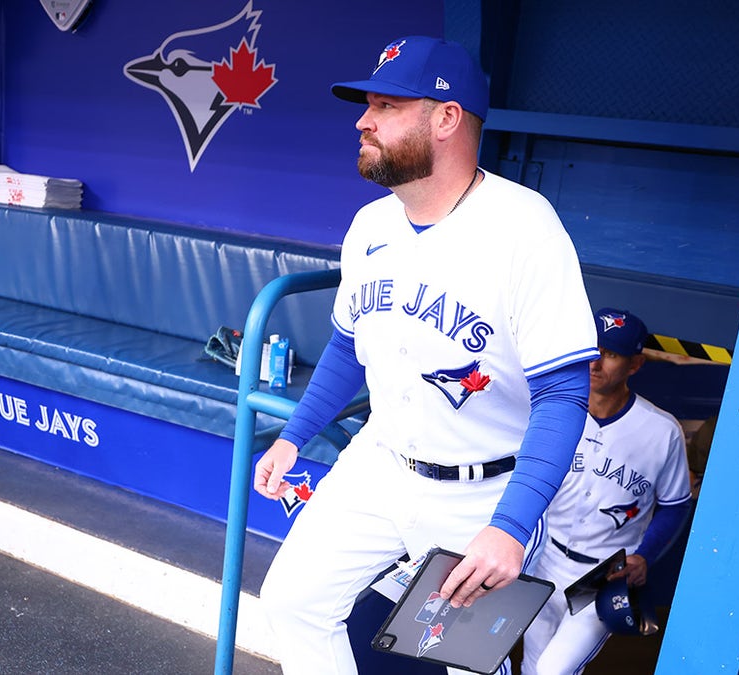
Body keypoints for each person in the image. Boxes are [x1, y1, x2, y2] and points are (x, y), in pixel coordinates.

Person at [254, 36, 599, 674]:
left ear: (446, 117)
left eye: (386, 105)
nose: (363, 119)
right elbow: (346, 345)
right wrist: (293, 436)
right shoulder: (370, 226)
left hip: (482, 491)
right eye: (368, 105)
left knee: (468, 665)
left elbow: (563, 395)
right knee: (292, 604)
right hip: (380, 464)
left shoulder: (526, 229)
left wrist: (511, 525)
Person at [521, 308, 693, 675]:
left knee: (554, 670)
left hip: (601, 576)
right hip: (543, 560)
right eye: (592, 349)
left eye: (610, 354)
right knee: (533, 664)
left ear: (635, 365)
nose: (595, 363)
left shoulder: (662, 431)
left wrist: (644, 555)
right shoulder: (551, 409)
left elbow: (676, 505)